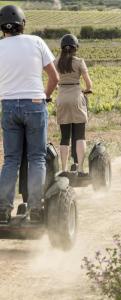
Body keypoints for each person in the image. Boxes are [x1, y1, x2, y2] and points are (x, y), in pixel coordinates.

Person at [0, 5, 59, 222]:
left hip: (8, 106)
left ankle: (3, 211)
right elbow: (55, 78)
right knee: (36, 158)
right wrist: (46, 96)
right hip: (34, 103)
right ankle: (35, 210)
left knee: (11, 160)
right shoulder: (36, 42)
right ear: (23, 23)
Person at [55, 34, 92, 177]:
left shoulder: (55, 62)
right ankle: (80, 169)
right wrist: (87, 90)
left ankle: (63, 169)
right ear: (76, 48)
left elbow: (53, 80)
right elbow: (89, 84)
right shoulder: (79, 62)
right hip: (76, 98)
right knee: (80, 136)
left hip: (62, 99)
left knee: (64, 137)